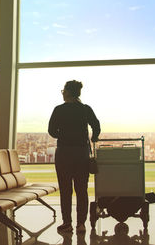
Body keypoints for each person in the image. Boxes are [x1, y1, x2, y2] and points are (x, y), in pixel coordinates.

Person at [48, 80, 100, 233]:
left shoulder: (58, 109)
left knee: (65, 190)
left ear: (68, 92)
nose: (62, 92)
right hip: (81, 153)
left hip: (64, 152)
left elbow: (51, 130)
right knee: (81, 190)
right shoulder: (85, 109)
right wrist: (93, 137)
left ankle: (67, 223)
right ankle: (81, 224)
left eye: (63, 90)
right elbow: (96, 125)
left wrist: (63, 135)